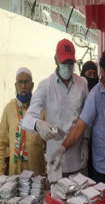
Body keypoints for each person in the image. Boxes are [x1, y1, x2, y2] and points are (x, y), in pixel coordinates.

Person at [49, 49, 105, 192]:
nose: (104, 84)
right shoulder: (95, 94)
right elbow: (79, 126)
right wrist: (62, 148)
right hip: (100, 165)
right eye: (102, 78)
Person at [22, 39, 89, 177]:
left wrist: (86, 141)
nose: (68, 67)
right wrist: (38, 124)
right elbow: (27, 119)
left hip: (78, 158)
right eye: (64, 63)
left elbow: (87, 116)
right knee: (57, 196)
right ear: (56, 60)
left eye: (71, 63)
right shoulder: (45, 86)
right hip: (55, 160)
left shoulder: (82, 84)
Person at [0, 68, 46, 176]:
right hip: (15, 175)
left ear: (32, 85)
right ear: (16, 85)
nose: (23, 86)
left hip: (36, 174)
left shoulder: (41, 109)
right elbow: (1, 144)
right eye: (20, 82)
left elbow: (50, 143)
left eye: (26, 82)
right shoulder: (8, 109)